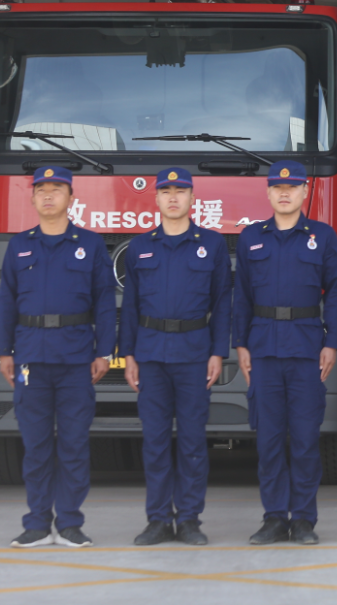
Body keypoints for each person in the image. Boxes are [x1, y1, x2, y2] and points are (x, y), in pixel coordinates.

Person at [0, 165, 117, 548]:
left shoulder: (90, 244)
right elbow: (7, 302)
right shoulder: (19, 245)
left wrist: (104, 352)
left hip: (76, 358)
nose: (48, 195)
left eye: (57, 189)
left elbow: (104, 302)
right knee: (36, 446)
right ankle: (36, 523)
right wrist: (4, 351)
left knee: (74, 445)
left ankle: (69, 524)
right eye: (41, 189)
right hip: (30, 356)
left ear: (71, 197)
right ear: (32, 197)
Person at [233, 160, 337, 545]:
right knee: (268, 440)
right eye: (278, 188)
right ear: (268, 193)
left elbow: (336, 291)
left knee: (304, 439)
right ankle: (273, 518)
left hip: (306, 348)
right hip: (263, 349)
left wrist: (332, 342)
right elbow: (241, 296)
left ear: (304, 192)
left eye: (293, 187)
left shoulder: (322, 237)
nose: (285, 193)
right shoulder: (252, 238)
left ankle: (303, 520)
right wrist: (241, 344)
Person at [120, 168, 232, 546]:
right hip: (150, 354)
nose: (173, 197)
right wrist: (128, 354)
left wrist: (218, 352)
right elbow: (130, 306)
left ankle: (188, 520)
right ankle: (157, 520)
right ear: (156, 198)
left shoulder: (212, 245)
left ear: (192, 198)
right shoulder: (139, 247)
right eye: (166, 191)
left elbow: (222, 302)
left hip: (194, 354)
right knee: (154, 441)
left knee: (192, 442)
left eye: (180, 191)